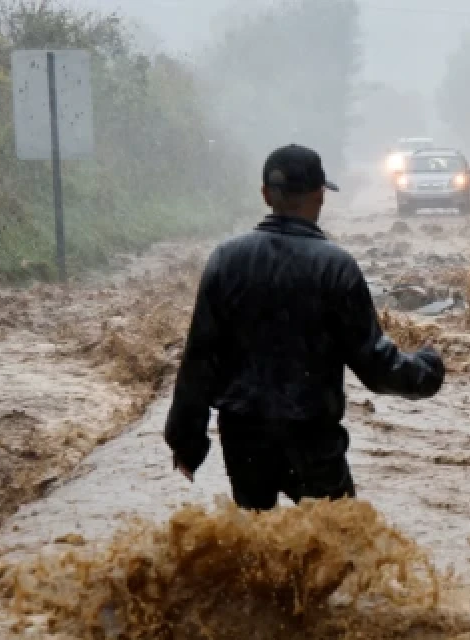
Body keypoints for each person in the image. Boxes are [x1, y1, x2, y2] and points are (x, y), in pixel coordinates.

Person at [164, 144, 444, 510]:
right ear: (319, 196)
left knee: (255, 538)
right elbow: (375, 365)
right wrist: (427, 369)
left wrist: (186, 442)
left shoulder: (225, 260)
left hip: (243, 438)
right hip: (313, 439)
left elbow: (199, 360)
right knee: (336, 537)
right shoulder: (336, 267)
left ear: (266, 194)